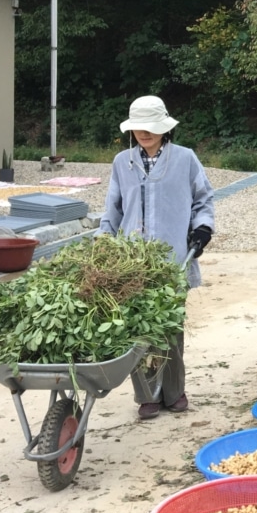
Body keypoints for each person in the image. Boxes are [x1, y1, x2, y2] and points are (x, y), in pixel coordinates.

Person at [101, 95, 215, 419]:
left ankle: (174, 391)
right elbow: (113, 208)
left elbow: (203, 199)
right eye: (138, 127)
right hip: (132, 260)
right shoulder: (122, 162)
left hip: (172, 259)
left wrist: (202, 230)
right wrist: (102, 243)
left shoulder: (185, 159)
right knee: (138, 328)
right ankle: (146, 394)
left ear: (164, 128)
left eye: (150, 127)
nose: (144, 133)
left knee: (170, 327)